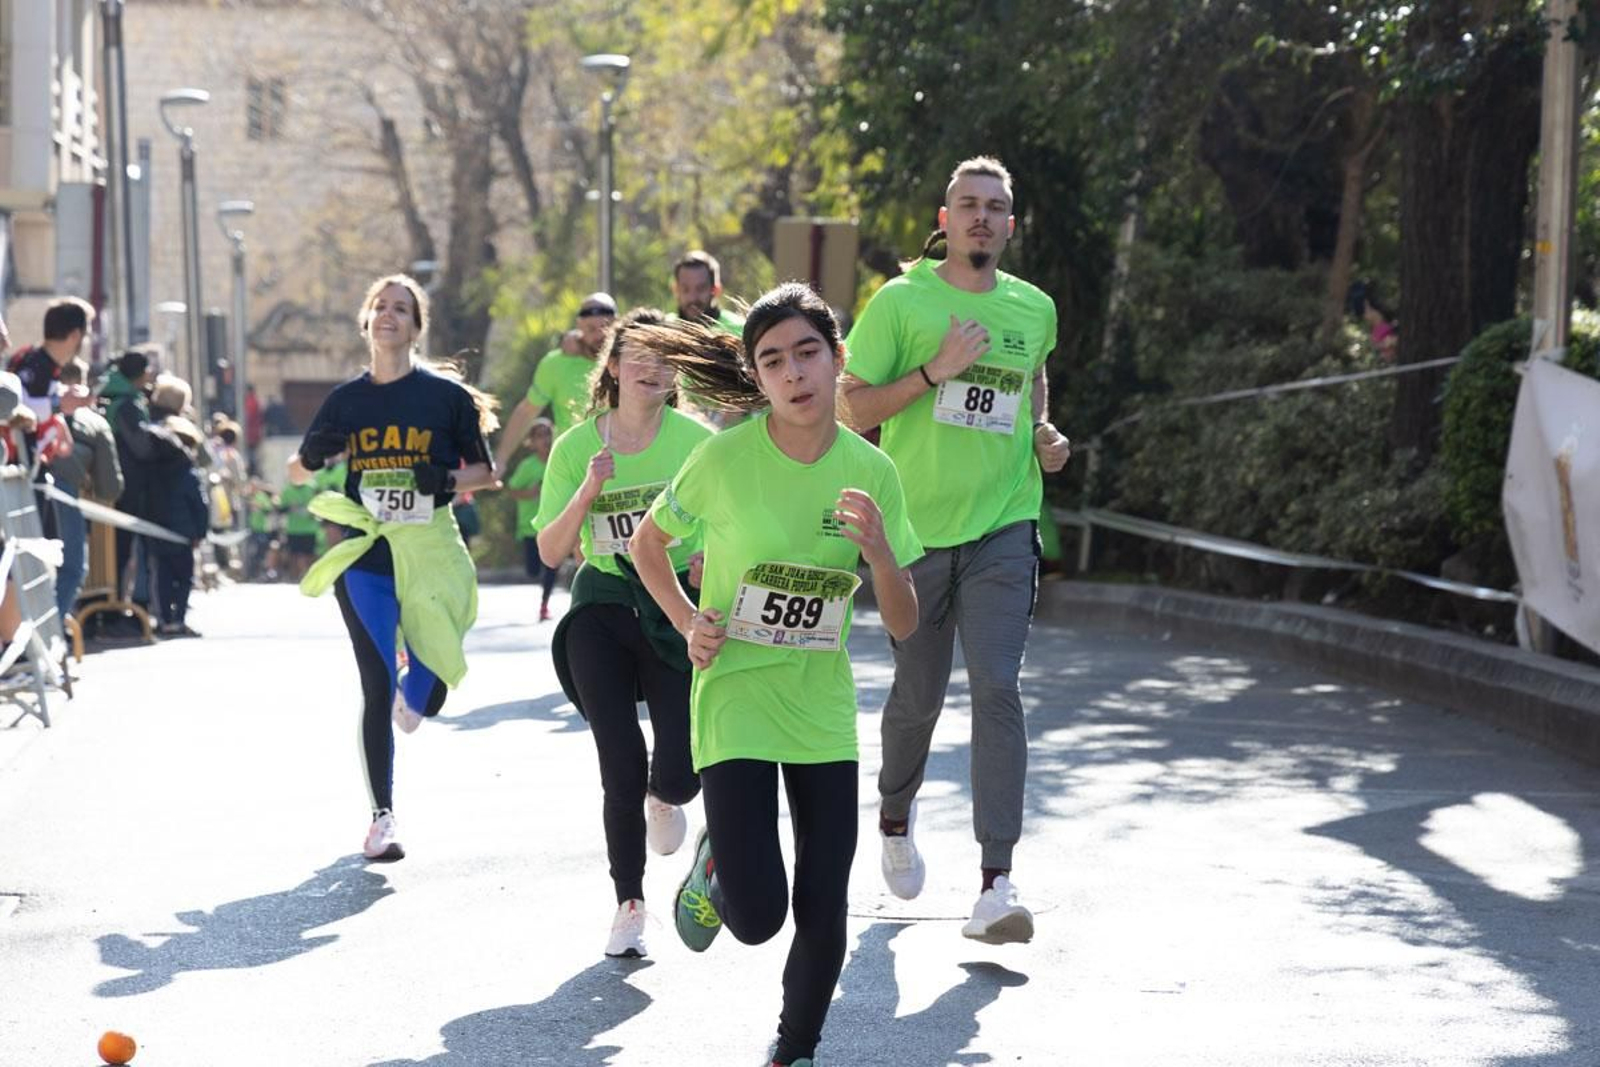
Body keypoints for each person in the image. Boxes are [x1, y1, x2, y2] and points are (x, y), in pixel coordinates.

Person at [628, 284, 921, 1067]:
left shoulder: (872, 470)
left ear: (836, 359)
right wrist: (690, 618)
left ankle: (792, 1050)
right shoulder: (723, 458)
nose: (793, 373)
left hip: (820, 705)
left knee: (824, 902)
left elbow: (904, 621)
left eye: (806, 353)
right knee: (758, 916)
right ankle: (718, 855)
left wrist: (883, 552)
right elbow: (647, 545)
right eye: (773, 361)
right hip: (734, 693)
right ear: (756, 378)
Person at [838, 156, 1072, 945]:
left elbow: (1031, 380)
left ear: (1010, 223)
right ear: (944, 220)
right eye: (968, 205)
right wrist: (934, 372)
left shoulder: (1033, 306)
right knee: (919, 696)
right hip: (913, 534)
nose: (982, 217)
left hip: (1006, 526)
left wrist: (1042, 432)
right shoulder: (901, 302)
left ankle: (995, 882)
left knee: (998, 687)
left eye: (995, 207)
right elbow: (852, 404)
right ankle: (896, 812)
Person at [287, 273, 497, 862]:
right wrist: (308, 457)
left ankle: (419, 674)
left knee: (426, 696)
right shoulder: (346, 401)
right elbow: (297, 472)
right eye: (380, 306)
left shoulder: (444, 398)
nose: (389, 315)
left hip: (429, 548)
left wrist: (446, 480)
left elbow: (488, 472)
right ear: (367, 321)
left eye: (401, 308)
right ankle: (382, 816)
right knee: (376, 684)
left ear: (415, 325)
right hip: (367, 551)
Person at [533, 308, 713, 960]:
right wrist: (586, 492)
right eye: (638, 354)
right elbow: (551, 549)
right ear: (612, 365)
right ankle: (629, 902)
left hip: (671, 608)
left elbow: (727, 517)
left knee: (679, 767)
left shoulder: (696, 440)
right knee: (618, 757)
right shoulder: (577, 446)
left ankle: (665, 794)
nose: (651, 367)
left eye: (665, 358)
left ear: (677, 373)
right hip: (601, 605)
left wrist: (707, 555)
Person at [493, 293, 617, 470]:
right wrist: (501, 460)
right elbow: (527, 411)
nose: (599, 335)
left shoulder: (628, 361)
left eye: (605, 327)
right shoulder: (556, 364)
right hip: (574, 472)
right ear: (579, 326)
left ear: (617, 323)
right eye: (590, 328)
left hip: (624, 470)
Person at [49, 359, 124, 621]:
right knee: (73, 567)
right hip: (65, 493)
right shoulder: (94, 422)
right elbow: (110, 485)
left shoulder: (35, 407)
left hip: (25, 491)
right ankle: (51, 629)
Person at [145, 376, 209, 637]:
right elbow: (200, 504)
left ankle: (163, 620)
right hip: (184, 535)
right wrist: (200, 533)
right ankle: (178, 619)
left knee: (162, 577)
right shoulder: (188, 471)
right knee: (184, 580)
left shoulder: (154, 469)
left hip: (159, 529)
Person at [671, 251, 747, 428]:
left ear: (716, 289)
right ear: (675, 289)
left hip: (733, 434)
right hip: (681, 434)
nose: (693, 298)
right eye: (685, 289)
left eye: (701, 288)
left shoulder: (741, 330)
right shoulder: (664, 329)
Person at [8, 297, 93, 425]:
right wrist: (59, 403)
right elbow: (12, 409)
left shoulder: (45, 362)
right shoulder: (31, 363)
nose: (87, 343)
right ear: (75, 335)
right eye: (86, 336)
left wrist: (66, 392)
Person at [504, 419, 558, 621]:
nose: (545, 440)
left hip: (553, 525)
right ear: (532, 442)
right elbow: (512, 490)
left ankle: (544, 605)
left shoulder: (559, 459)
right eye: (540, 436)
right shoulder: (527, 466)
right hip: (529, 526)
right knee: (533, 570)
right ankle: (543, 591)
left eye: (548, 434)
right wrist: (531, 492)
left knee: (552, 566)